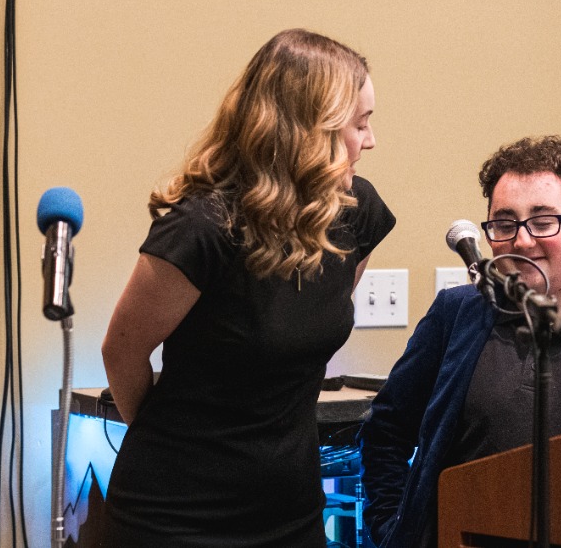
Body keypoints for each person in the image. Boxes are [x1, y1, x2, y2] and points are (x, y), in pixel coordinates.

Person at [100, 28, 395, 547]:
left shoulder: (357, 216)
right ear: (312, 130)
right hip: (172, 516)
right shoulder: (202, 227)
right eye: (360, 124)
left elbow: (314, 322)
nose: (370, 140)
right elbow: (122, 350)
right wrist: (177, 448)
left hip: (291, 511)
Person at [357, 135, 561, 548]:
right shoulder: (454, 316)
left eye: (543, 221)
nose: (523, 240)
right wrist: (393, 531)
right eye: (505, 223)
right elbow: (386, 432)